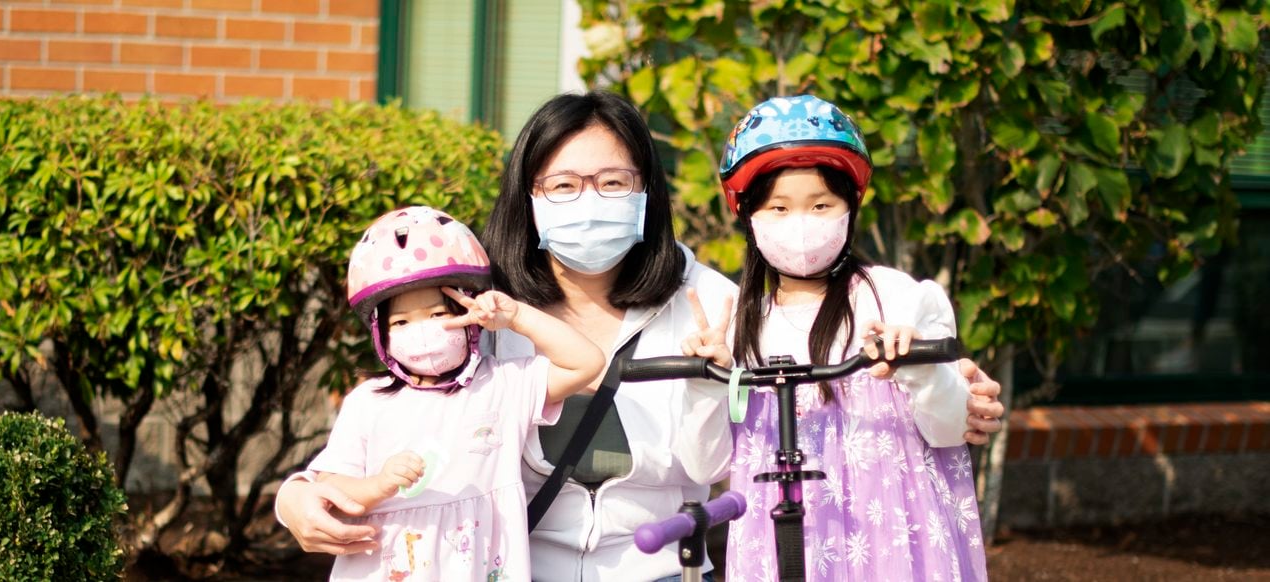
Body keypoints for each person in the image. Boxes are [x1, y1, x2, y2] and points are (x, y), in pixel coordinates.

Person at [274, 91, 1006, 581]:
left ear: (648, 194)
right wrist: (297, 495)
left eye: (613, 183)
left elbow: (821, 369)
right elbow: (394, 418)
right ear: (526, 199)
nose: (588, 203)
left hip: (665, 571)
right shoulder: (477, 315)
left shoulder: (717, 304)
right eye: (562, 187)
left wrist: (942, 371)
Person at [690, 95, 987, 580]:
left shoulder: (892, 298)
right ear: (748, 216)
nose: (801, 224)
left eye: (821, 204)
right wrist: (706, 378)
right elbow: (707, 466)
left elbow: (949, 426)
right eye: (779, 208)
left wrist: (918, 367)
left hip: (891, 544)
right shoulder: (741, 327)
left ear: (850, 206)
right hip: (781, 544)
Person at [301, 206, 605, 581]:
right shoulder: (368, 402)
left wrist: (517, 318)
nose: (424, 331)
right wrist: (377, 485)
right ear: (381, 334)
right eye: (401, 321)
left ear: (470, 316)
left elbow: (586, 364)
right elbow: (330, 491)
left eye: (436, 314)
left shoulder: (503, 385)